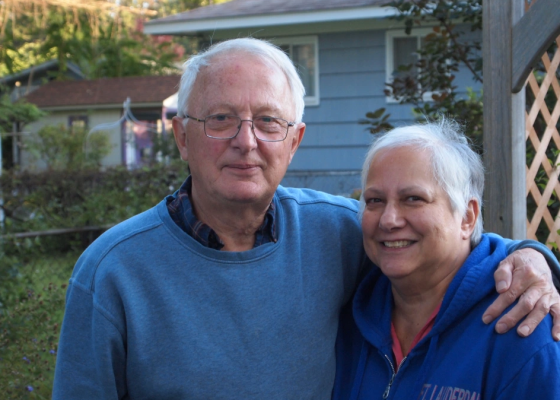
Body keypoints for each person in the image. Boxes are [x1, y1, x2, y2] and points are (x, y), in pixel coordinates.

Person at [53, 38, 560, 399]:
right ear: (182, 136)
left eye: (268, 121)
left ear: (294, 142)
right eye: (220, 119)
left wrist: (530, 257)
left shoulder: (338, 230)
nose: (246, 141)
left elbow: (445, 244)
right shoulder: (111, 272)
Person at [333, 120, 560, 399]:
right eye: (374, 200)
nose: (388, 220)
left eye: (413, 198)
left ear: (467, 216)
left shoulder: (524, 326)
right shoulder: (349, 313)